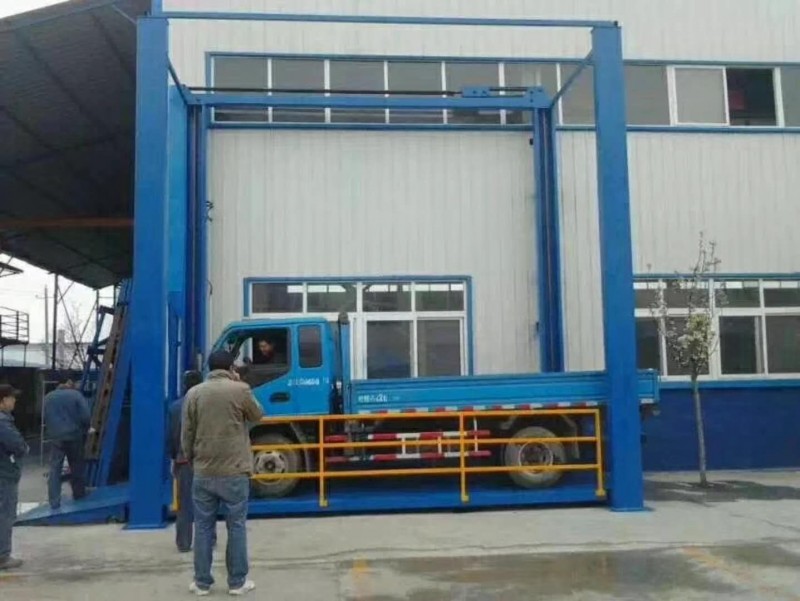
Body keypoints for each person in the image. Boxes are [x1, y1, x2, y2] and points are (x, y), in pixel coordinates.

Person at [182, 350, 263, 596]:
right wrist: (239, 383)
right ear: (231, 368)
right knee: (236, 526)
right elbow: (258, 415)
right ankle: (237, 583)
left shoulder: (194, 393)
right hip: (235, 471)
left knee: (203, 527)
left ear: (209, 368)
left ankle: (202, 583)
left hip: (204, 470)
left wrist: (191, 458)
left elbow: (187, 432)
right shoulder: (240, 390)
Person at [43, 375, 90, 510]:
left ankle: (54, 501)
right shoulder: (75, 395)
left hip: (56, 438)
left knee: (55, 469)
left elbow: (45, 416)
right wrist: (85, 429)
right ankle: (79, 495)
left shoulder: (48, 397)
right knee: (76, 466)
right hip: (74, 436)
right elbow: (86, 416)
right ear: (69, 382)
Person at [169, 370, 204, 553]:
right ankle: (209, 538)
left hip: (184, 461)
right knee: (208, 502)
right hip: (207, 460)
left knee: (184, 503)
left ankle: (183, 542)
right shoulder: (208, 405)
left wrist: (174, 456)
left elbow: (172, 436)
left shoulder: (176, 407)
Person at [0, 384, 28, 571]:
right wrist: (24, 447)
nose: (14, 400)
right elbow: (18, 446)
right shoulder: (2, 423)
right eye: (12, 397)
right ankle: (2, 556)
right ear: (3, 400)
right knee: (5, 514)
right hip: (4, 474)